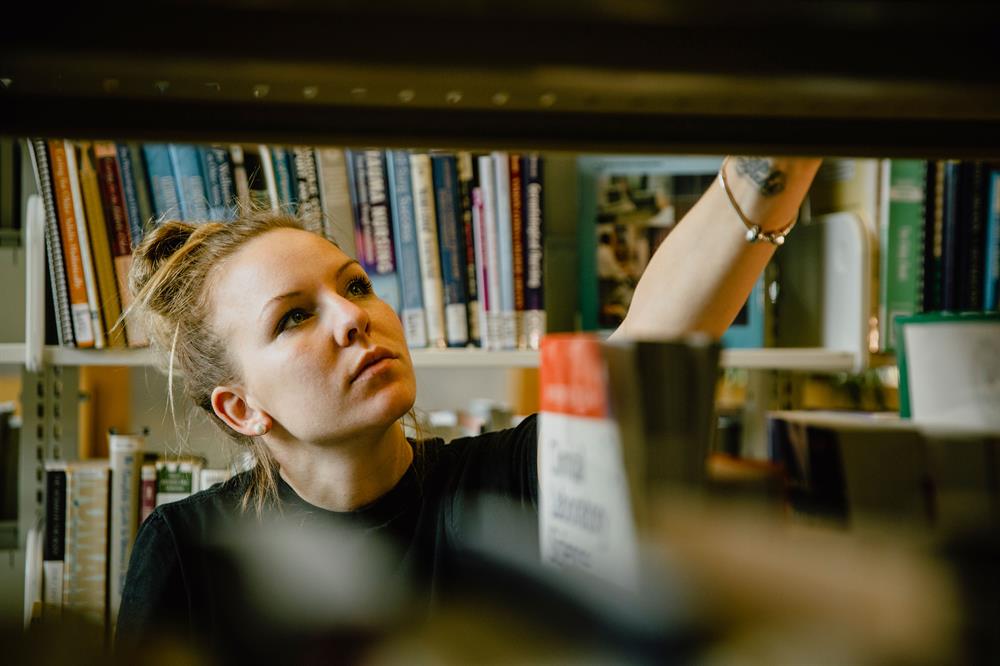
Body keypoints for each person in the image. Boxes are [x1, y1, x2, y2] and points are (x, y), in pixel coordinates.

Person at [115, 156, 822, 661]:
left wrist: (770, 166)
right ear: (241, 409)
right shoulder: (188, 548)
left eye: (355, 285)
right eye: (294, 316)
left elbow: (652, 338)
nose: (354, 318)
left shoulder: (516, 477)